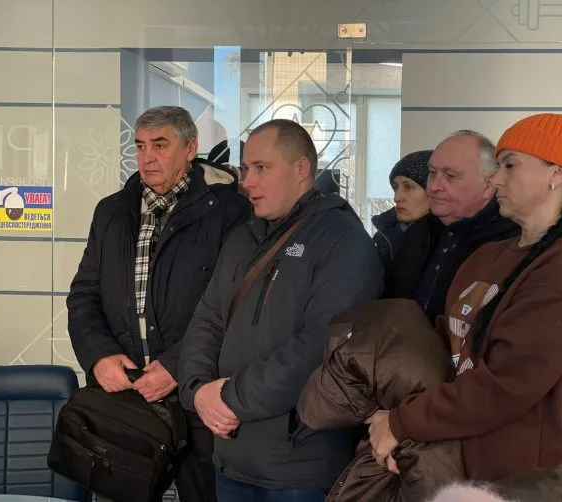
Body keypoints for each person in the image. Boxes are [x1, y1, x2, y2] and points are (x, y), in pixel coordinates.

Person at [367, 113, 562, 481]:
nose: (495, 178)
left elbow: (506, 385)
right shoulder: (487, 256)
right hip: (446, 460)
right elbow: (445, 351)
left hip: (514, 477)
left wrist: (404, 422)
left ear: (557, 174)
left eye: (510, 165)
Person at [177, 118, 383, 501]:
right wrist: (197, 390)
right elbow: (207, 320)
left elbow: (320, 345)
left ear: (301, 169)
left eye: (261, 168)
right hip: (230, 457)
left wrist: (229, 399)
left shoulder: (343, 241)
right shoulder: (242, 238)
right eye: (245, 168)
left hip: (299, 469)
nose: (247, 181)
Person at [67, 106, 251, 501]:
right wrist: (100, 356)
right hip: (125, 396)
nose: (147, 157)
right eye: (140, 146)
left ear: (191, 149)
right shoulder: (112, 211)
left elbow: (235, 307)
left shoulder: (231, 212)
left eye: (160, 145)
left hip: (196, 397)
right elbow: (84, 295)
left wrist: (177, 365)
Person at [383, 130, 519, 320]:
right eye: (432, 173)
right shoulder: (419, 231)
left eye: (450, 176)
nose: (433, 187)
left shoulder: (512, 243)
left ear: (489, 185)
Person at [372, 150, 433, 268]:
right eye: (395, 187)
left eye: (408, 187)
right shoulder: (383, 237)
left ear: (433, 191)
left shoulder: (449, 243)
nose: (396, 198)